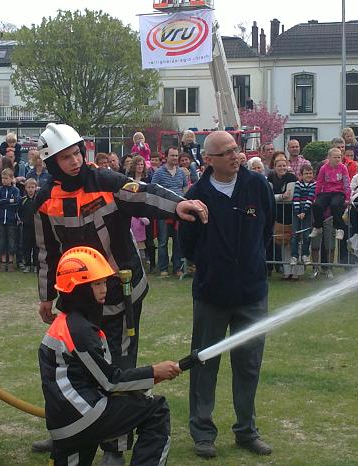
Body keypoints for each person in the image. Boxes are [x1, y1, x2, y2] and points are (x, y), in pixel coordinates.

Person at [33, 123, 206, 464]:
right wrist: (45, 295)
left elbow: (144, 193)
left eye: (77, 153)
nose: (75, 161)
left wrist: (178, 205)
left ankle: (115, 449)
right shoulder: (44, 201)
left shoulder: (106, 181)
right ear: (52, 163)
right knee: (81, 366)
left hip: (121, 295)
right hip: (77, 300)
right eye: (66, 157)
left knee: (119, 367)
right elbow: (46, 253)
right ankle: (73, 429)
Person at [178, 130, 275, 459]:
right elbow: (188, 245)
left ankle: (246, 430)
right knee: (204, 363)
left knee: (249, 364)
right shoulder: (197, 195)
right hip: (212, 294)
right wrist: (213, 265)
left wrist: (251, 262)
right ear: (209, 160)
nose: (236, 156)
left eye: (236, 149)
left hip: (252, 292)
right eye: (227, 152)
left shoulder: (257, 186)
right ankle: (203, 432)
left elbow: (266, 229)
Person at [39, 246, 180, 466]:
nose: (104, 289)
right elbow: (110, 381)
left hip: (65, 422)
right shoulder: (80, 331)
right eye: (96, 284)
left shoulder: (66, 323)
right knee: (156, 409)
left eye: (104, 282)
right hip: (84, 416)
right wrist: (154, 372)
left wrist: (146, 380)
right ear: (78, 288)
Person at [151, 146, 187, 277]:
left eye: (176, 156)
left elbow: (185, 189)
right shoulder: (159, 173)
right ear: (166, 157)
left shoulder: (181, 173)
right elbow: (153, 189)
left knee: (178, 241)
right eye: (172, 155)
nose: (175, 158)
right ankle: (163, 268)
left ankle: (178, 268)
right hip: (163, 211)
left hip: (179, 212)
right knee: (163, 241)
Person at [310, 148, 351, 241]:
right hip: (326, 192)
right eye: (335, 157)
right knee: (316, 205)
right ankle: (318, 226)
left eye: (339, 157)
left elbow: (346, 182)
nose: (337, 159)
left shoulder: (343, 168)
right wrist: (316, 196)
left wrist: (347, 197)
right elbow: (319, 182)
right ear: (329, 157)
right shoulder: (324, 168)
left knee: (335, 205)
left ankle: (339, 228)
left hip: (339, 192)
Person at [0, 168, 20, 271]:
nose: (4, 180)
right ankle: (3, 261)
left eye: (6, 178)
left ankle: (11, 262)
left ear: (11, 178)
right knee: (1, 241)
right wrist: (9, 200)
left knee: (12, 241)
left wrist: (3, 202)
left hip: (11, 220)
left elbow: (16, 203)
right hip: (0, 220)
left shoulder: (15, 190)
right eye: (2, 178)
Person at [290, 164, 316, 265]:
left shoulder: (314, 184)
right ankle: (294, 255)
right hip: (297, 211)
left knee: (306, 234)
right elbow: (296, 197)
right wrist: (298, 212)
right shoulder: (298, 184)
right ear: (301, 175)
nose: (309, 175)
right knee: (295, 234)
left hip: (308, 211)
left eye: (310, 173)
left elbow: (310, 198)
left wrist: (304, 211)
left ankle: (305, 254)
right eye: (306, 173)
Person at [19, 178, 38, 273]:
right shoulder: (23, 200)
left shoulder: (38, 199)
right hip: (26, 227)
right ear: (25, 188)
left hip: (37, 227)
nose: (30, 189)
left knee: (36, 247)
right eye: (29, 187)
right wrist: (22, 220)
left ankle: (35, 265)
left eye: (32, 187)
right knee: (27, 246)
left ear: (36, 188)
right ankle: (27, 264)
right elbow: (19, 212)